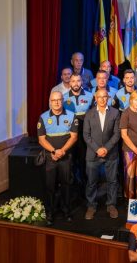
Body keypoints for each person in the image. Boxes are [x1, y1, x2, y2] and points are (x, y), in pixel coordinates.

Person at [37, 91, 79, 223]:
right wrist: (54, 151)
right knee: (50, 186)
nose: (56, 102)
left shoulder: (72, 116)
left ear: (62, 100)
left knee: (66, 185)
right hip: (50, 158)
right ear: (50, 101)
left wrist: (62, 151)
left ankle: (66, 211)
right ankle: (50, 212)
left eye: (59, 100)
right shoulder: (43, 117)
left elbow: (74, 137)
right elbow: (41, 139)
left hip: (66, 157)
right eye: (54, 100)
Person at [83, 89, 122, 219]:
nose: (102, 99)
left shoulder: (115, 113)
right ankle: (91, 206)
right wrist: (97, 149)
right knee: (91, 182)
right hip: (93, 154)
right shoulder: (89, 114)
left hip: (111, 154)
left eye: (105, 96)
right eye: (100, 97)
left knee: (112, 181)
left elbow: (117, 134)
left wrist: (106, 148)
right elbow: (86, 135)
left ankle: (111, 205)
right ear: (95, 97)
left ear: (108, 97)